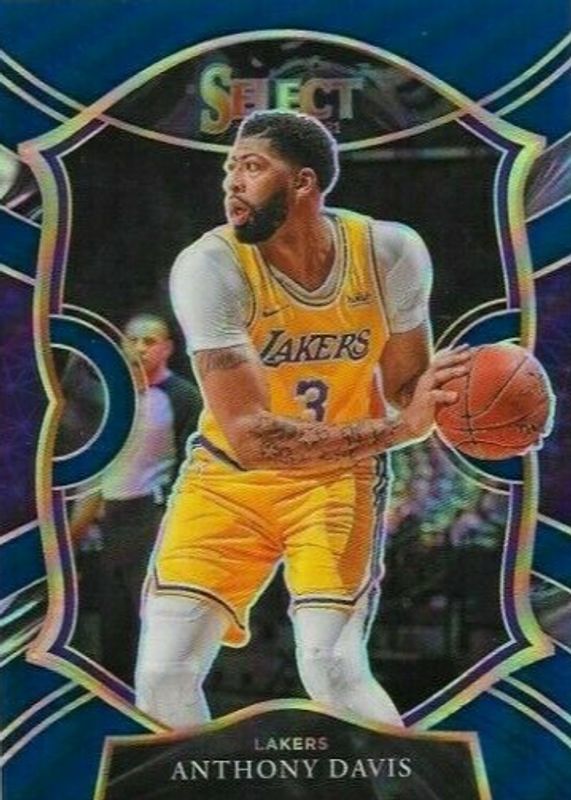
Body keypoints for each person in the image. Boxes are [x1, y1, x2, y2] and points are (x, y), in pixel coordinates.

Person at [135, 111, 471, 728]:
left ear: (304, 183)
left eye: (252, 166)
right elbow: (252, 439)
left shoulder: (389, 251)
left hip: (337, 480)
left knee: (332, 666)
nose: (232, 181)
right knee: (162, 675)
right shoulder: (209, 268)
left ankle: (406, 775)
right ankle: (207, 782)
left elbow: (406, 388)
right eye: (229, 168)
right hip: (228, 480)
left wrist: (463, 395)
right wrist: (402, 429)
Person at [70, 312, 201, 684]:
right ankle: (115, 702)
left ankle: (157, 705)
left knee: (151, 625)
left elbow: (196, 464)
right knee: (112, 625)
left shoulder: (183, 397)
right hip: (110, 522)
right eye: (133, 340)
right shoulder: (108, 396)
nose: (140, 348)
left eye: (150, 341)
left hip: (153, 518)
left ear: (167, 348)